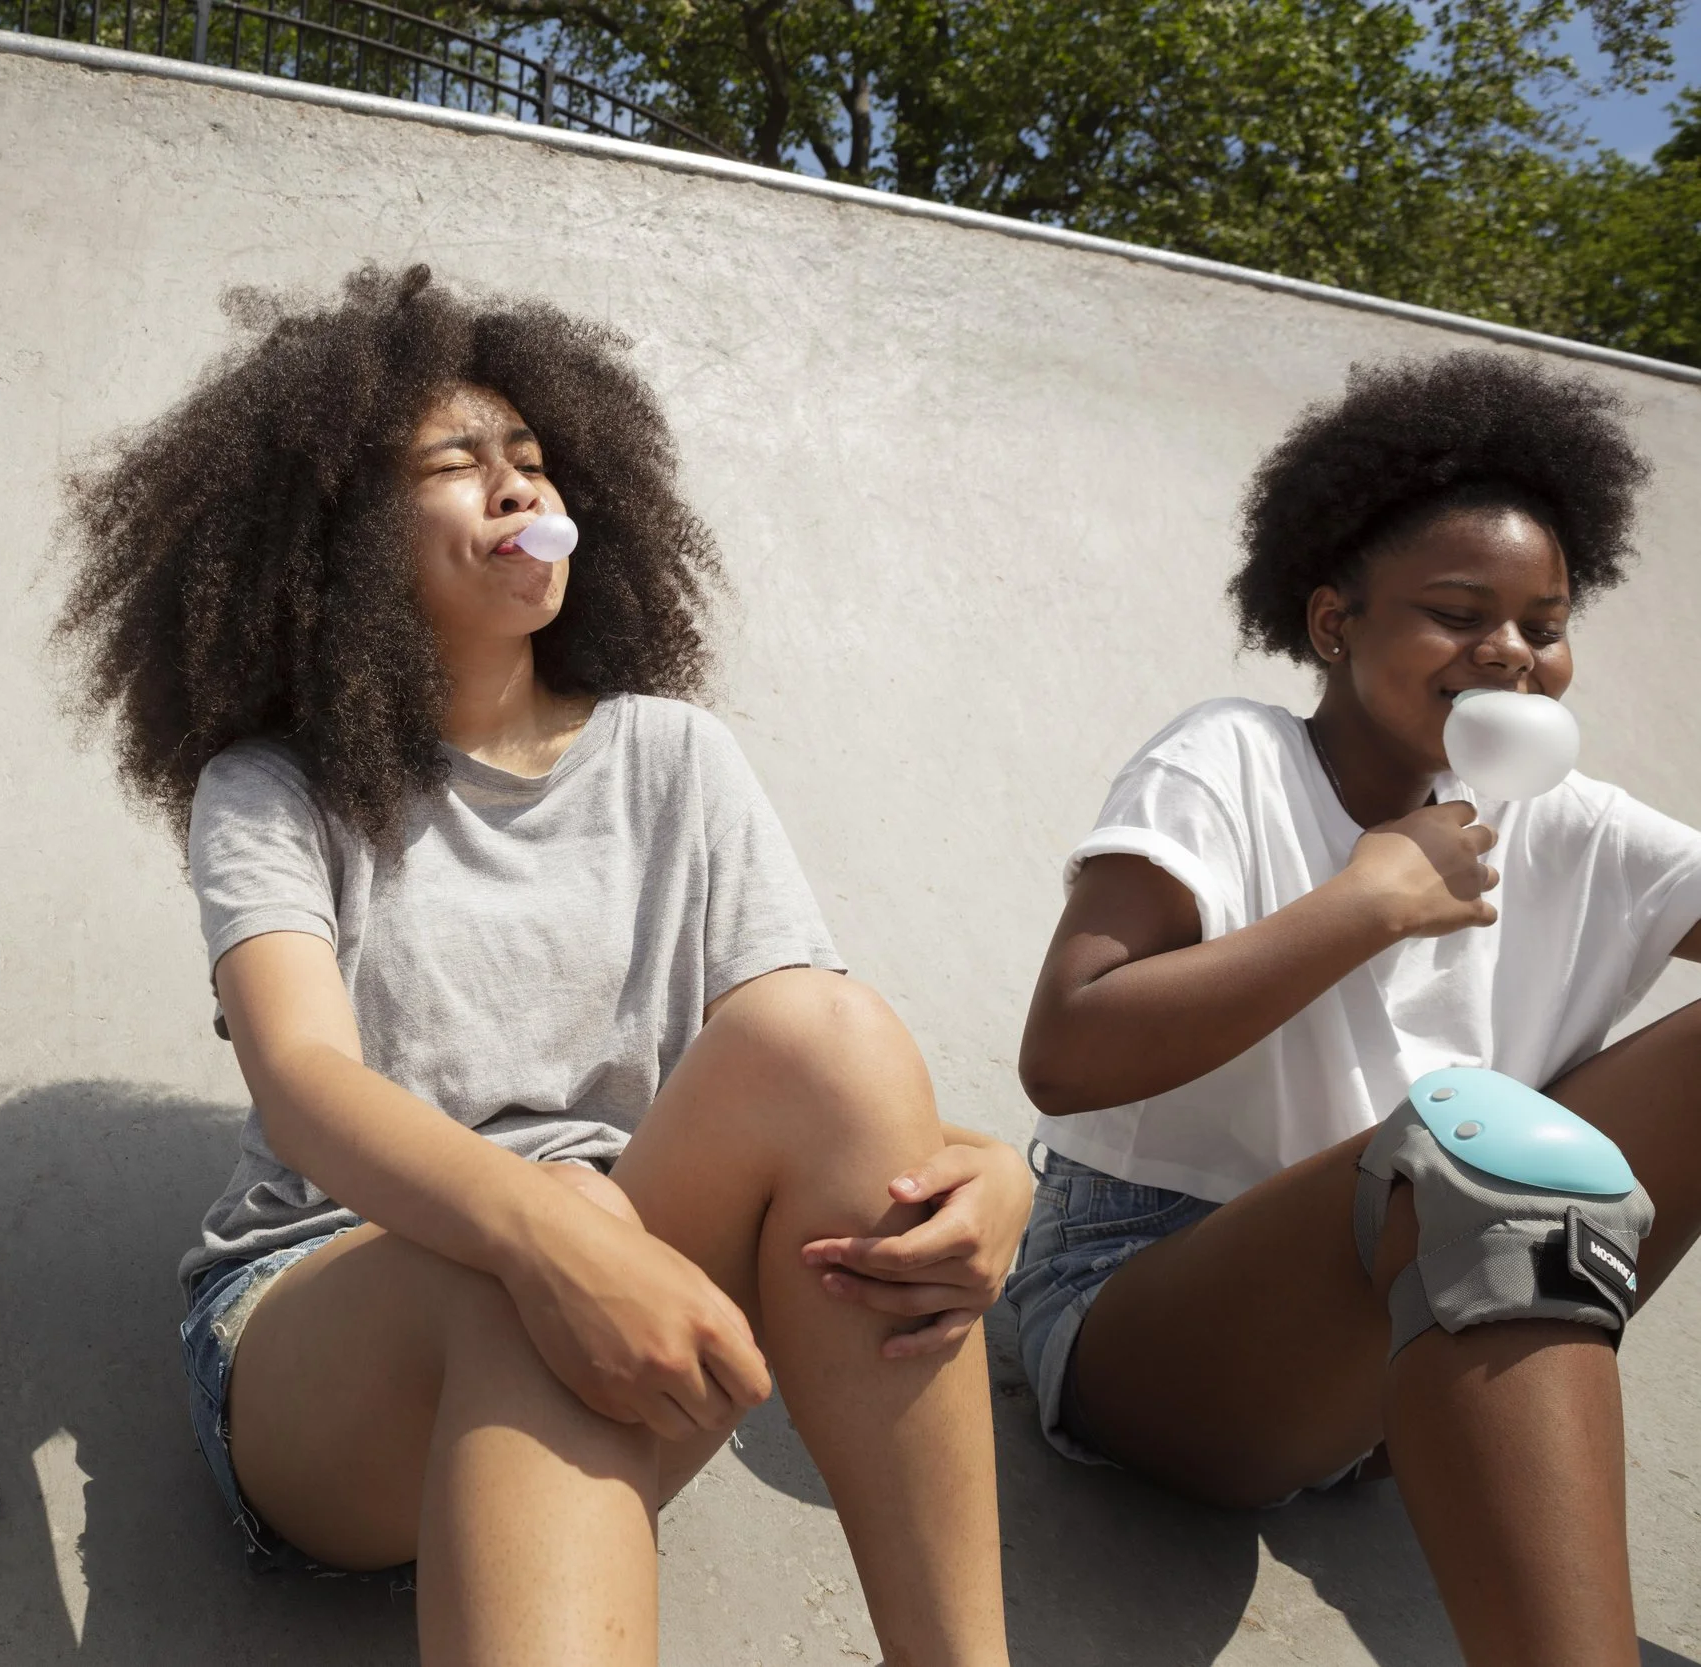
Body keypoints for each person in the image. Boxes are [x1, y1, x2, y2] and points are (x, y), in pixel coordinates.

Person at [57, 264, 1025, 1665]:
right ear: (332, 535)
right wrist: (539, 1223)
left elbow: (810, 1084)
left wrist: (975, 1169)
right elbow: (305, 1075)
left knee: (829, 1033)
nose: (518, 488)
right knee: (529, 1263)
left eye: (533, 458)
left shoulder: (677, 757)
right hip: (333, 1326)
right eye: (457, 464)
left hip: (618, 1252)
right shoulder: (273, 788)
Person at [1010, 350, 1701, 1666]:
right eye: (1456, 611)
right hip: (1153, 1304)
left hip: (1408, 1332)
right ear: (1336, 623)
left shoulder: (1570, 820)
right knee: (1478, 1143)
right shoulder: (1231, 758)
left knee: (1499, 1145)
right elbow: (1067, 1045)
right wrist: (1365, 900)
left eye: (1544, 624)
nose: (1508, 650)